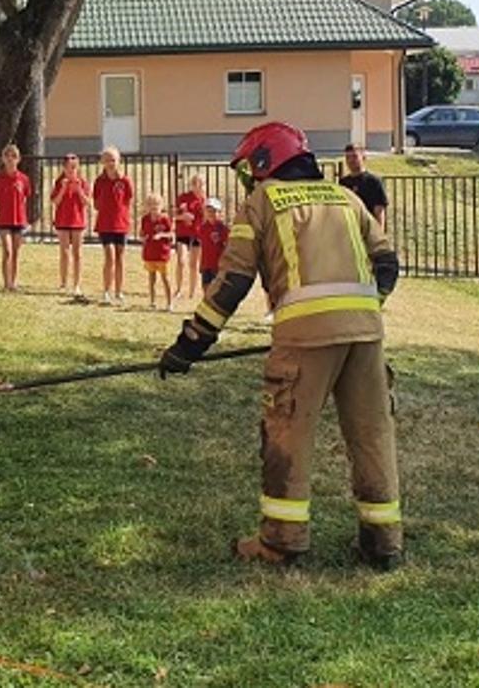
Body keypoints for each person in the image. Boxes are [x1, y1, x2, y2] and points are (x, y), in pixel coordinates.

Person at [159, 122, 404, 570]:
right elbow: (387, 262)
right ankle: (383, 542)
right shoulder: (346, 198)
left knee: (288, 433)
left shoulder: (263, 201)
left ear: (264, 162)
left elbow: (232, 281)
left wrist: (191, 343)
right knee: (372, 435)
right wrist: (366, 307)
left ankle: (281, 541)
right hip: (367, 335)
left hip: (303, 337)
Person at [92, 147, 134, 306]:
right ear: (102, 162)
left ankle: (119, 291)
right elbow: (96, 203)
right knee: (109, 255)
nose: (110, 163)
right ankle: (106, 290)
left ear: (118, 161)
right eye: (107, 160)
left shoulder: (125, 181)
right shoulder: (99, 181)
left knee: (120, 257)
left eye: (113, 160)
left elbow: (128, 200)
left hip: (121, 224)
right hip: (105, 224)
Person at [0, 145, 32, 292]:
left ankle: (14, 283)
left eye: (13, 156)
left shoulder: (23, 179)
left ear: (18, 159)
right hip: (4, 219)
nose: (10, 159)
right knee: (7, 251)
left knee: (16, 252)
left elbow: (25, 196)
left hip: (19, 220)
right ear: (3, 159)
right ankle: (6, 283)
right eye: (7, 156)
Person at [51, 154, 92, 298]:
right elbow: (55, 201)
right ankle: (63, 282)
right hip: (62, 221)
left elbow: (87, 202)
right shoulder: (59, 182)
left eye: (74, 167)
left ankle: (77, 284)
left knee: (77, 253)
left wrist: (79, 189)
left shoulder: (83, 182)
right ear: (64, 168)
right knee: (64, 252)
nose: (71, 171)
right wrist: (63, 188)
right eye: (68, 168)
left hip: (77, 221)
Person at [173, 175, 208, 300]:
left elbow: (206, 219)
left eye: (200, 184)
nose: (198, 186)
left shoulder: (204, 200)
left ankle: (192, 292)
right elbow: (174, 215)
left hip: (197, 234)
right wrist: (183, 217)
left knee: (193, 264)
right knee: (181, 261)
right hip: (183, 233)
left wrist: (204, 205)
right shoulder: (183, 198)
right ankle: (178, 289)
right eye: (195, 183)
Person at [139, 193, 176, 311]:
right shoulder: (145, 219)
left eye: (156, 204)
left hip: (162, 253)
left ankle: (169, 303)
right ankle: (152, 301)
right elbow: (142, 233)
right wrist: (143, 238)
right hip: (149, 253)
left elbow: (171, 234)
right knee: (151, 278)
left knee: (165, 278)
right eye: (150, 205)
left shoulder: (164, 219)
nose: (153, 207)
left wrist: (162, 235)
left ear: (161, 206)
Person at [338, 144, 389, 226]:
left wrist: (378, 232)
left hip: (368, 228)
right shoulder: (343, 183)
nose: (351, 160)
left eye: (355, 157)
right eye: (347, 157)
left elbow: (379, 212)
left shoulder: (374, 182)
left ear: (363, 158)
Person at [196, 197, 228, 287]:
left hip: (218, 265)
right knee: (205, 286)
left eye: (214, 211)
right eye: (208, 211)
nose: (211, 214)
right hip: (206, 264)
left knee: (217, 288)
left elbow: (227, 245)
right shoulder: (202, 228)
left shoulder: (222, 229)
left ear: (219, 213)